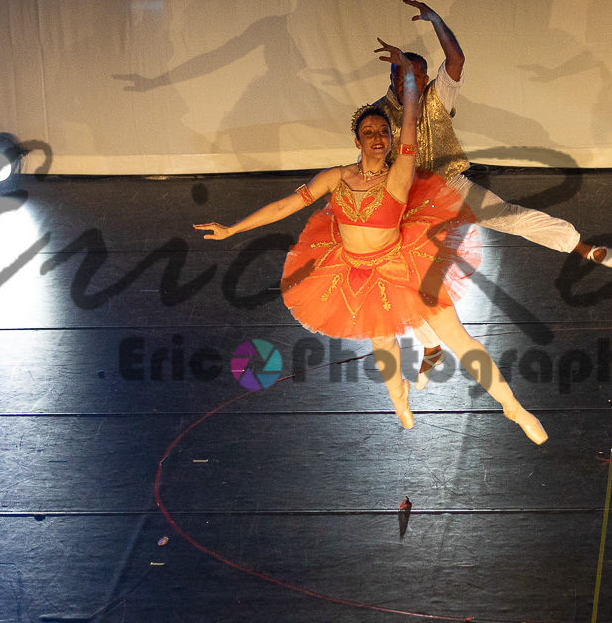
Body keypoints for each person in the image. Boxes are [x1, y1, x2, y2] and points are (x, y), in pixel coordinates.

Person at [194, 40, 547, 445]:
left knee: (459, 339)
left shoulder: (398, 175)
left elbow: (410, 121)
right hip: (354, 271)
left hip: (404, 265)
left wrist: (409, 79)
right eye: (368, 132)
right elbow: (284, 205)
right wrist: (232, 229)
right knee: (382, 341)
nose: (377, 137)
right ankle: (400, 399)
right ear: (357, 140)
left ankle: (513, 408)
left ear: (391, 139)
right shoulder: (337, 177)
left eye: (383, 132)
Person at [376, 0, 612, 388]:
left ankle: (582, 247)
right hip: (412, 204)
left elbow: (456, 59)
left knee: (510, 217)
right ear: (392, 76)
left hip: (451, 186)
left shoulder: (437, 98)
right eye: (403, 74)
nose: (412, 81)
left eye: (417, 75)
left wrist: (436, 20)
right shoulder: (377, 116)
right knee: (401, 274)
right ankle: (430, 346)